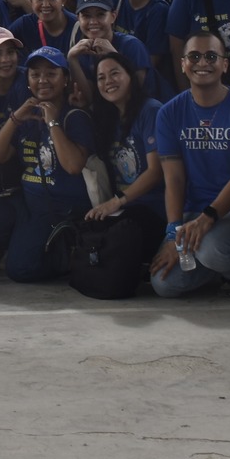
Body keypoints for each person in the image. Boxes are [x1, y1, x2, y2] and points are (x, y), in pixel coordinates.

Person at [150, 31, 230, 298]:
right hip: (194, 212)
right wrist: (173, 233)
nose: (203, 62)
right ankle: (222, 269)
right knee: (163, 283)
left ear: (225, 64)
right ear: (183, 64)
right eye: (194, 56)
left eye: (212, 56)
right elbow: (174, 179)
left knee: (212, 250)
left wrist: (208, 218)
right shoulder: (169, 113)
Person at [0, 45, 92, 282]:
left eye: (51, 73)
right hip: (28, 203)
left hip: (60, 208)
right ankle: (29, 242)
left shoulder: (75, 116)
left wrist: (52, 124)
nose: (42, 80)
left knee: (21, 270)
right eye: (35, 74)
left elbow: (72, 166)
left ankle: (65, 251)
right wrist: (16, 118)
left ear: (65, 79)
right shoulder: (27, 118)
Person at [79, 53, 165, 299]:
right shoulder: (109, 117)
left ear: (131, 77)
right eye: (101, 77)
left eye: (115, 73)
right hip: (126, 209)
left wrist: (117, 201)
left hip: (155, 208)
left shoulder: (151, 110)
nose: (108, 81)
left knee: (120, 235)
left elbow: (156, 171)